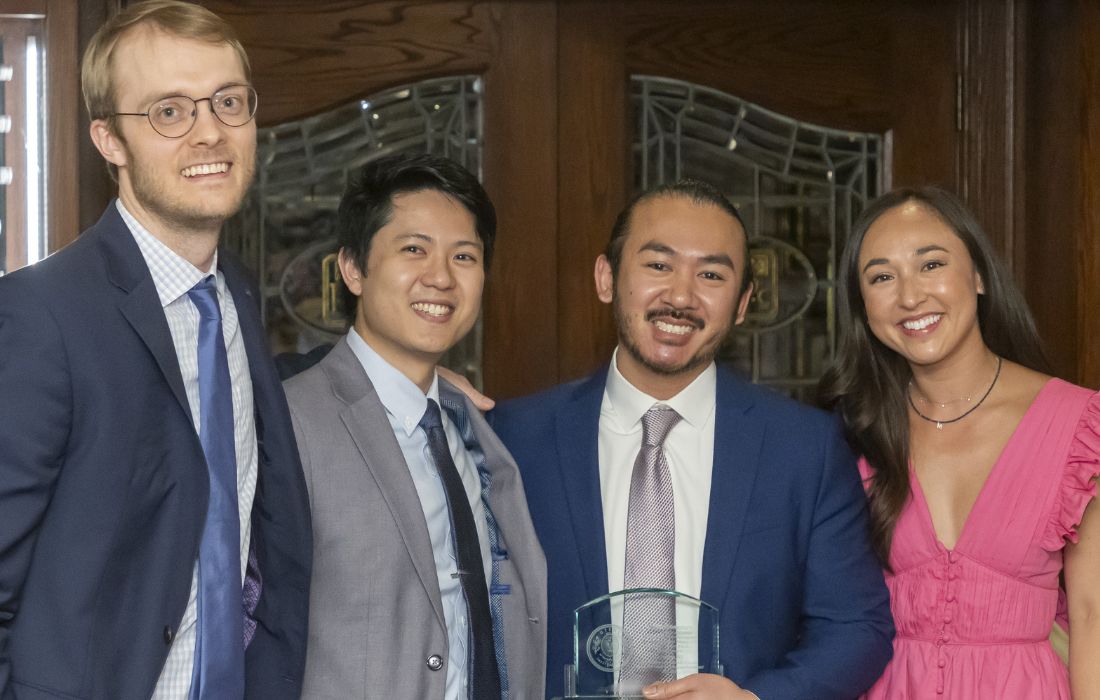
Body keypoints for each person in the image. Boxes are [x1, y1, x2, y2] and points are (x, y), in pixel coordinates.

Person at [0, 2, 312, 699]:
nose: (210, 132)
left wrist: (415, 379)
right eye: (169, 111)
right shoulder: (39, 318)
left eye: (228, 101)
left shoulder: (235, 296)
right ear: (110, 140)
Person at [489, 179, 894, 699]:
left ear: (743, 303)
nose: (681, 296)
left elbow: (857, 627)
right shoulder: (514, 438)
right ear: (607, 277)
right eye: (659, 265)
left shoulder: (805, 449)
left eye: (711, 275)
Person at [818, 186, 1100, 698]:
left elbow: (1091, 614)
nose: (909, 296)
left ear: (979, 276)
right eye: (882, 277)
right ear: (863, 306)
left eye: (931, 265)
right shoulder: (853, 432)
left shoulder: (1077, 425)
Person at [283, 153, 546, 699]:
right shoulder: (289, 422)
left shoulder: (476, 429)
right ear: (353, 268)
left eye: (464, 256)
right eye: (413, 249)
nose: (441, 277)